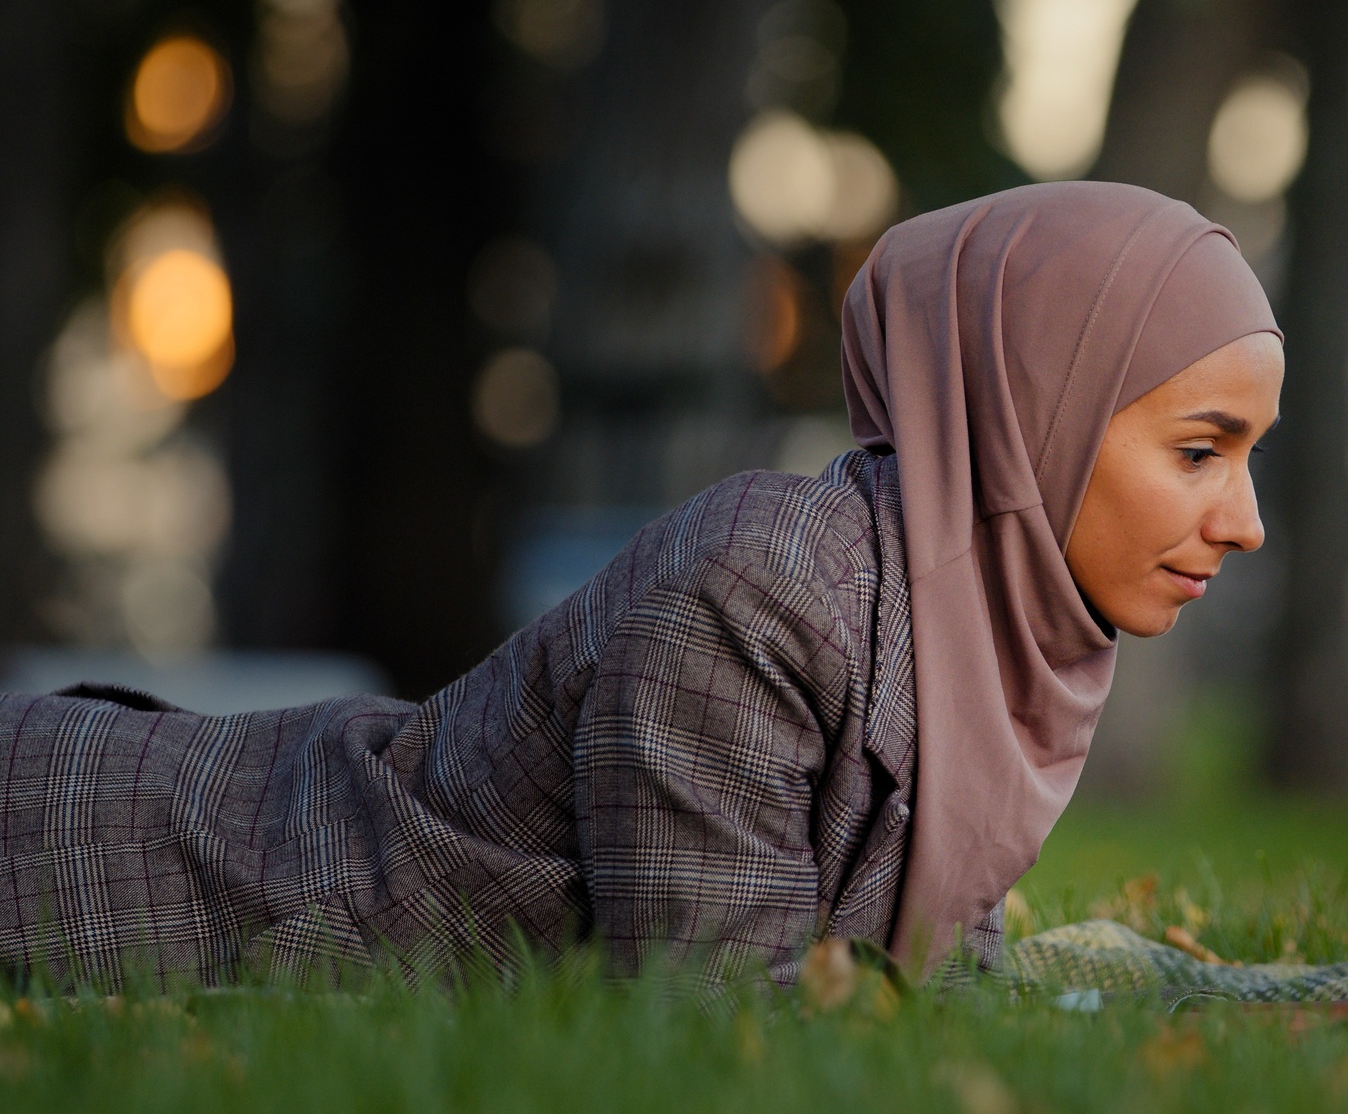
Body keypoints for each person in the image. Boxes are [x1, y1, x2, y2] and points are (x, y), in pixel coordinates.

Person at [0, 181, 1283, 991]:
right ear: (1030, 416)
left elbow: (932, 983)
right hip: (92, 861)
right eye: (1196, 451)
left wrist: (1335, 992)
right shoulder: (760, 592)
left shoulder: (967, 635)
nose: (1245, 525)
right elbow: (718, 1016)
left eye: (1246, 458)